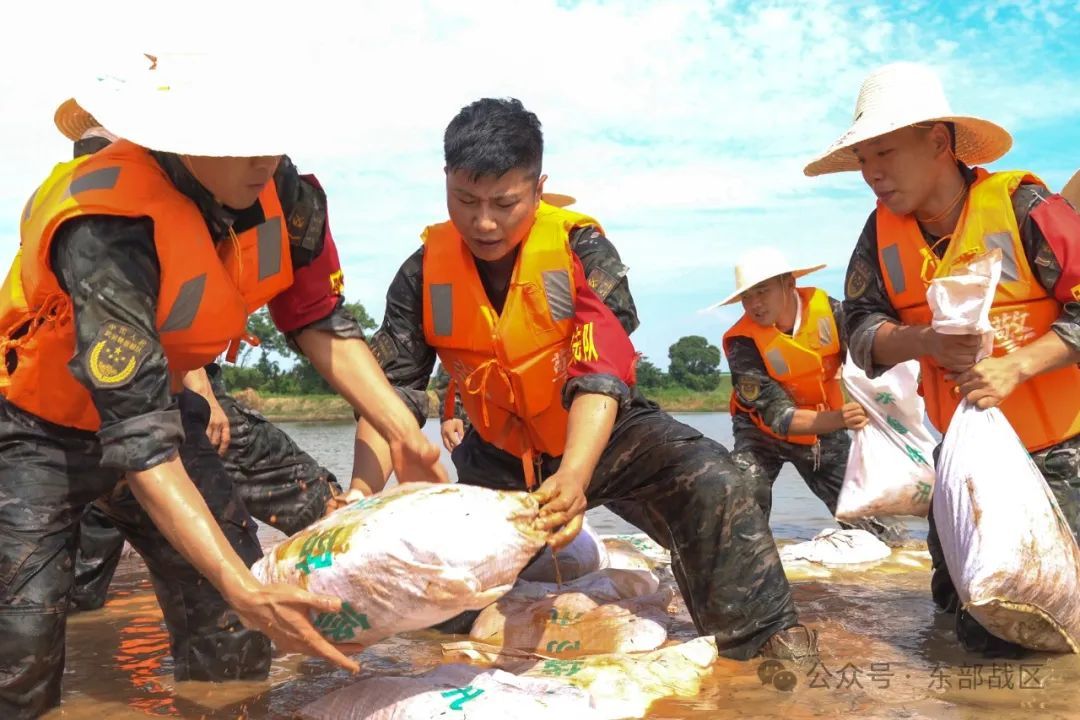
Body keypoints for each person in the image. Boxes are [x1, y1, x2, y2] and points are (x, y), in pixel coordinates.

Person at [0, 55, 444, 717]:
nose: (263, 159)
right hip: (41, 428)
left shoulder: (283, 192)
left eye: (272, 137)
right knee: (22, 646)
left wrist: (406, 434)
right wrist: (242, 584)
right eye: (239, 143)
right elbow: (140, 437)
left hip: (161, 411)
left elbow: (316, 316)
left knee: (232, 632)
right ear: (175, 137)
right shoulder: (107, 225)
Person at [354, 97, 818, 663]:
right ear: (445, 181)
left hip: (605, 438)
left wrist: (574, 476)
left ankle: (759, 649)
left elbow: (599, 369)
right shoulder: (423, 271)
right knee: (450, 596)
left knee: (715, 481)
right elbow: (387, 392)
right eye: (465, 200)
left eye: (505, 203)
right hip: (497, 458)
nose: (483, 222)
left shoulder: (580, 249)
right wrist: (359, 492)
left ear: (538, 185)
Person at [804, 62, 1080, 654]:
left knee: (1033, 617)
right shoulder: (878, 236)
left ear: (936, 142)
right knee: (954, 611)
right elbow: (857, 330)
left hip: (1060, 455)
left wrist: (1016, 366)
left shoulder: (1026, 207)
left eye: (884, 154)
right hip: (961, 457)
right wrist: (923, 341)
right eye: (863, 161)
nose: (871, 174)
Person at [53, 102, 346, 612]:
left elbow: (193, 316)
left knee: (304, 502)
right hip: (77, 411)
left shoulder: (211, 192)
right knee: (74, 579)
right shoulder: (96, 214)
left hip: (166, 400)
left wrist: (199, 383)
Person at [715, 247, 903, 543]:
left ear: (789, 283)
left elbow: (872, 358)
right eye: (746, 297)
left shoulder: (831, 312)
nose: (754, 304)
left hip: (823, 434)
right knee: (741, 504)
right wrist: (839, 419)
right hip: (761, 434)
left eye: (762, 292)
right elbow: (778, 417)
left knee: (878, 529)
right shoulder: (742, 340)